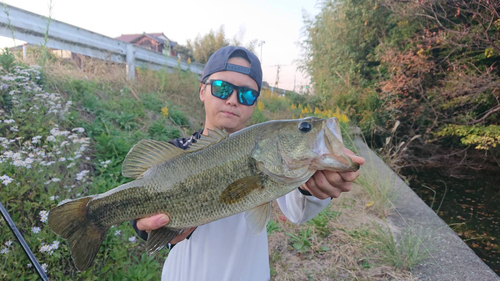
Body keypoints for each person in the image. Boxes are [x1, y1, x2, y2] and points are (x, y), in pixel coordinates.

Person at [131, 46, 365, 281]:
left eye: (246, 94)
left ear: (255, 102)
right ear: (202, 90)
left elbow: (298, 210)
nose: (233, 100)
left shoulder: (269, 154)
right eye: (222, 89)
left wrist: (313, 186)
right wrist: (142, 225)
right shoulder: (177, 154)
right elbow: (141, 202)